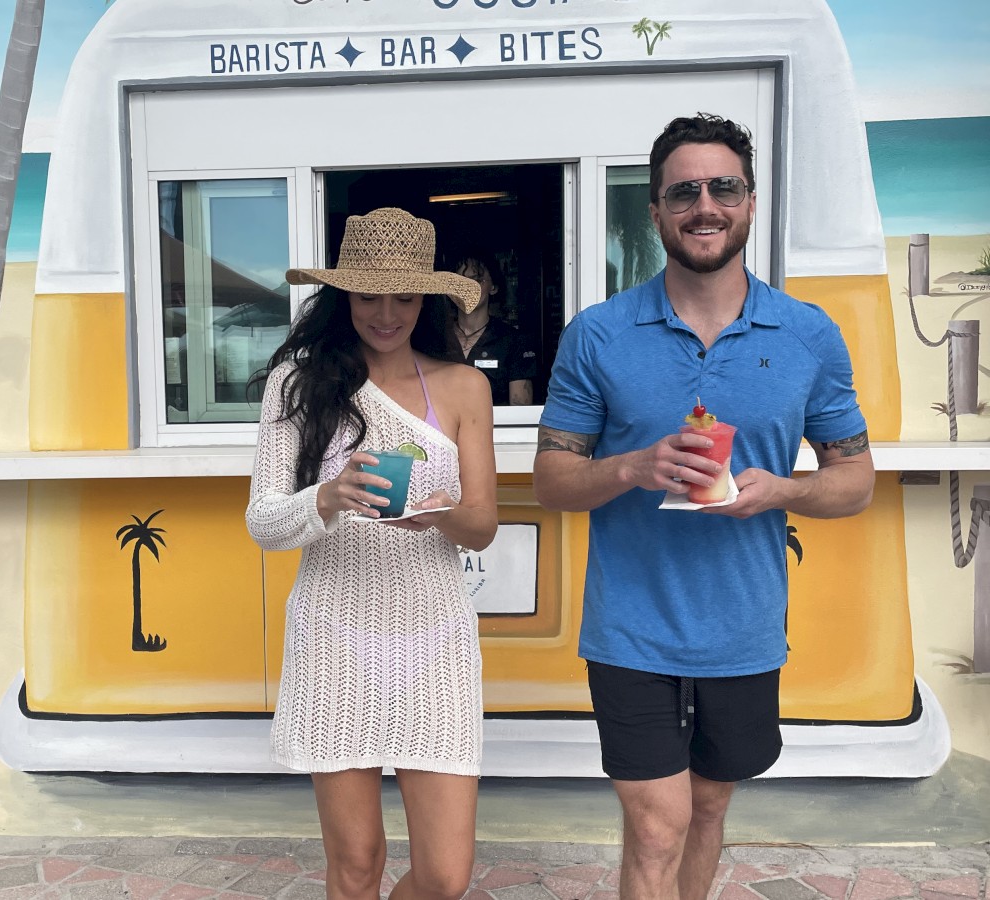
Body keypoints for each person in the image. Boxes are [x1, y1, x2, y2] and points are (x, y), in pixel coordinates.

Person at [533, 114, 875, 900]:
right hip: (631, 627)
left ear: (751, 203)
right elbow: (553, 480)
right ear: (653, 211)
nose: (704, 206)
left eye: (723, 187)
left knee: (709, 808)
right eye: (682, 192)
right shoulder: (599, 335)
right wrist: (633, 466)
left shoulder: (807, 334)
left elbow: (853, 480)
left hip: (744, 626)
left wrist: (784, 490)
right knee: (657, 822)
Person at [246, 207, 497, 900]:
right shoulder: (297, 386)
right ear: (342, 297)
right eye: (367, 295)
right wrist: (327, 497)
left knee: (445, 875)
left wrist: (438, 515)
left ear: (428, 300)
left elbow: (482, 526)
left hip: (435, 639)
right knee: (355, 865)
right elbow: (264, 524)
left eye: (404, 297)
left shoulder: (464, 386)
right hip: (335, 637)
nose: (385, 313)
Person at [447, 252, 536, 405]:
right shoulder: (436, 338)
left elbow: (520, 410)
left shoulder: (513, 341)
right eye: (460, 281)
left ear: (493, 287)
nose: (468, 288)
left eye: (476, 280)